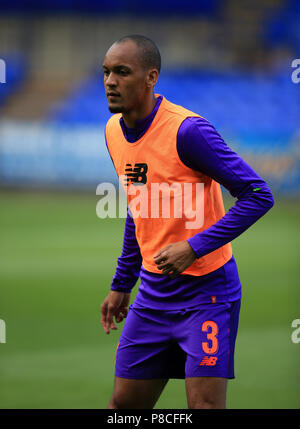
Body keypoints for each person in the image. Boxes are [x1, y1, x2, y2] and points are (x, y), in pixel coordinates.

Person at [100, 34, 274, 409]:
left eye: (122, 72)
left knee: (204, 408)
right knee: (122, 407)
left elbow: (258, 195)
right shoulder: (113, 132)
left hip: (207, 295)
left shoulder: (188, 131)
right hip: (152, 295)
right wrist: (121, 283)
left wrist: (193, 247)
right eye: (107, 72)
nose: (111, 81)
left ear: (151, 77)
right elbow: (138, 207)